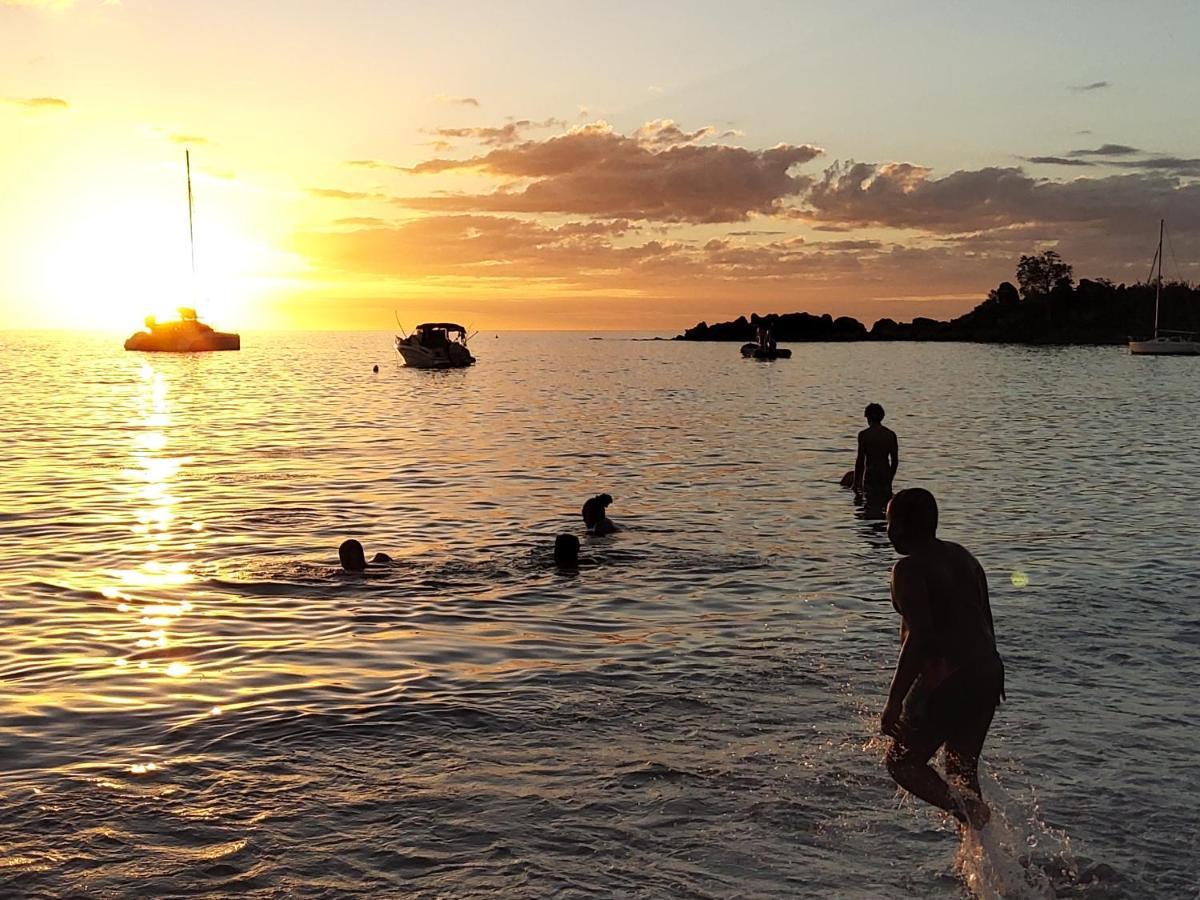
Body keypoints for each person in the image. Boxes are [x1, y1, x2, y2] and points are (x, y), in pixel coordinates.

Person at [880, 488, 1004, 830]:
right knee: (960, 770)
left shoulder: (908, 568)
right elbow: (985, 620)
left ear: (904, 527)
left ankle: (966, 813)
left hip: (947, 672)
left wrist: (894, 701)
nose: (887, 531)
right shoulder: (965, 557)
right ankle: (981, 866)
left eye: (890, 523)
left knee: (901, 763)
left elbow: (919, 636)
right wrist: (992, 676)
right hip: (987, 669)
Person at [853, 403, 898, 509]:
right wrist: (889, 479)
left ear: (867, 417)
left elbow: (860, 461)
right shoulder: (890, 435)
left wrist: (856, 483)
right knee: (884, 507)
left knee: (869, 506)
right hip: (884, 476)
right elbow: (895, 461)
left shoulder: (864, 435)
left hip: (870, 476)